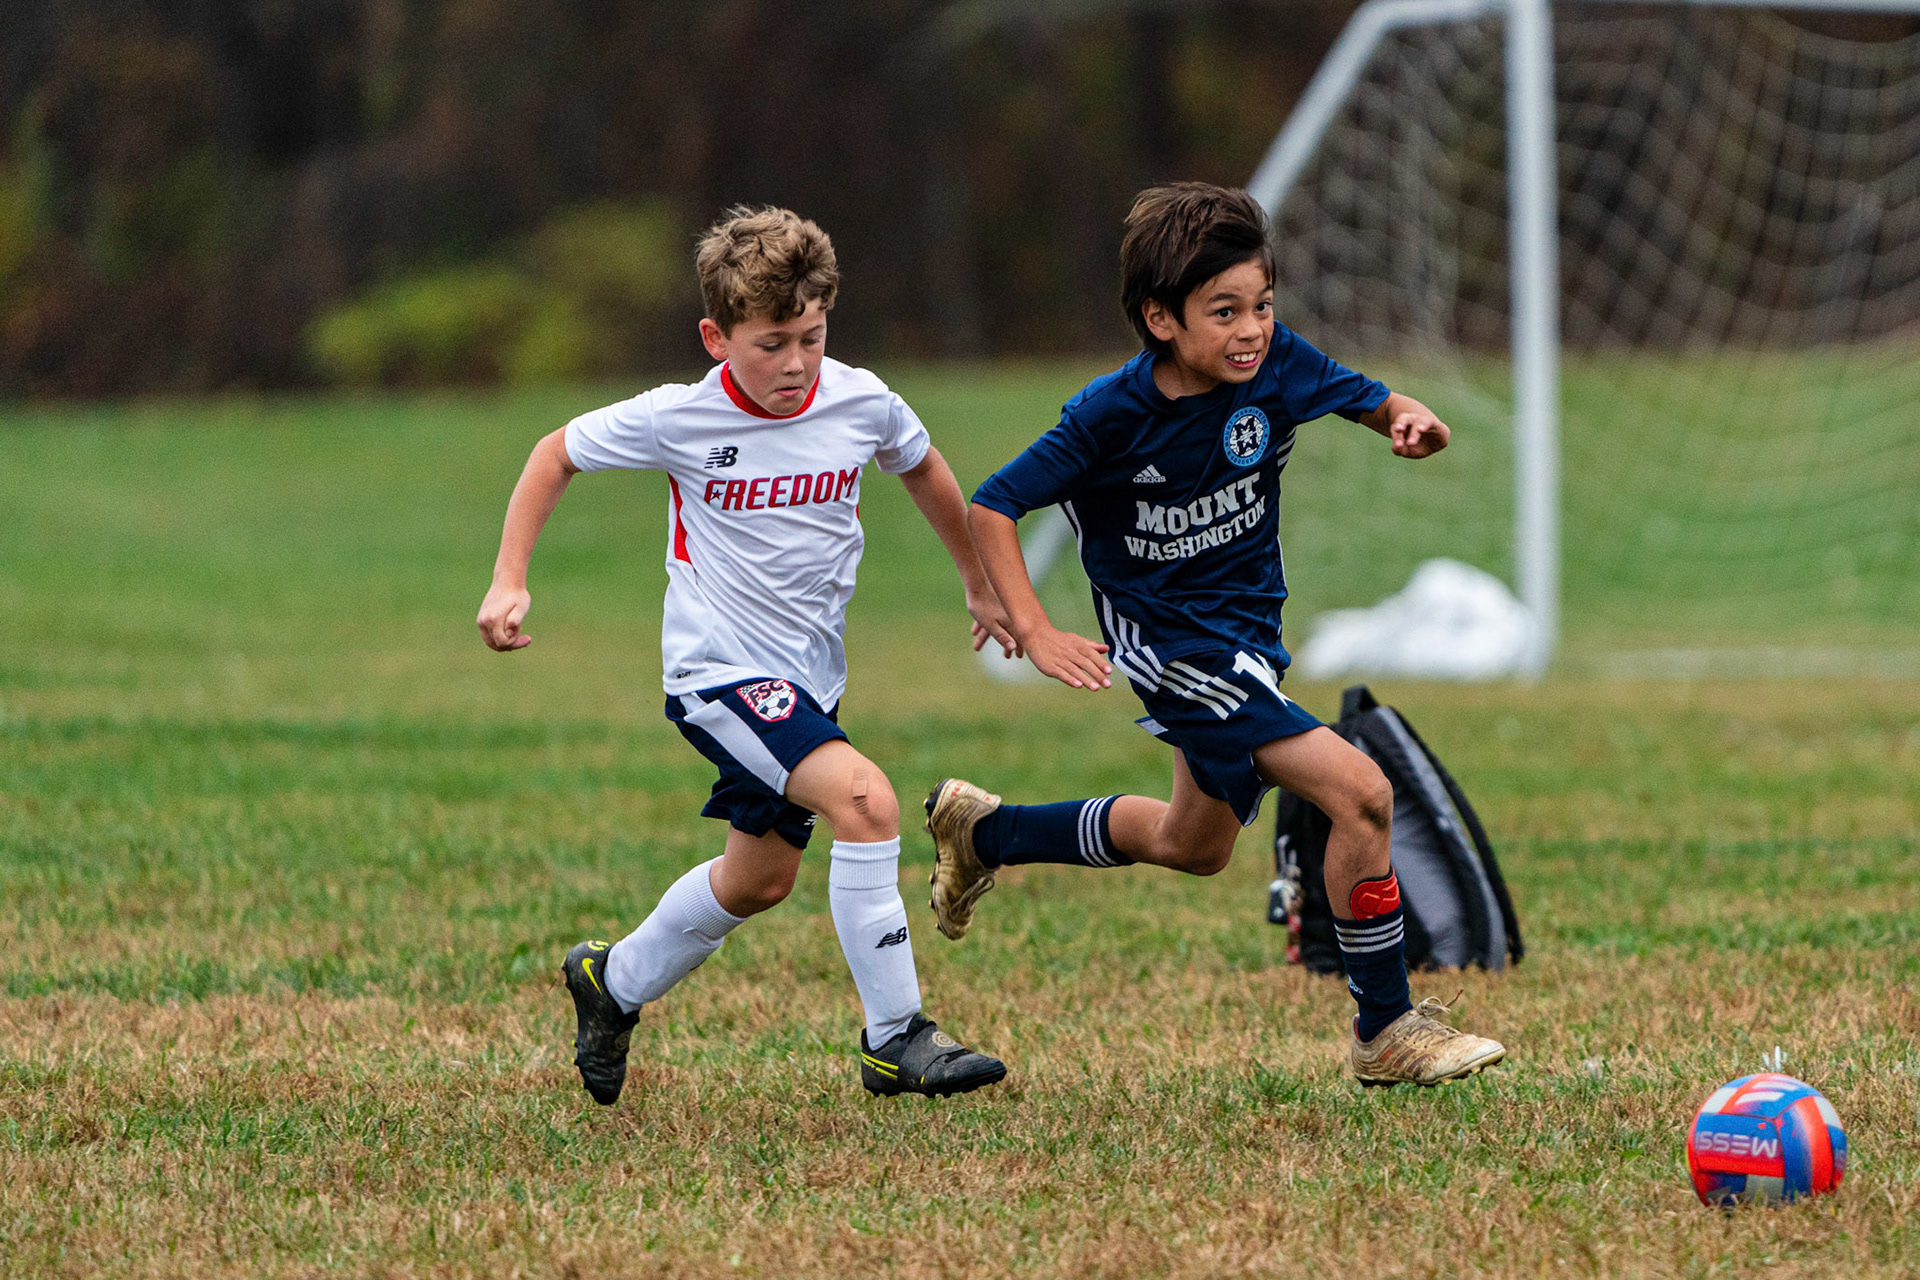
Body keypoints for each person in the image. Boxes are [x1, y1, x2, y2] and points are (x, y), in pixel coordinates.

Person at [926, 182, 1508, 1087]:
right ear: (1160, 318)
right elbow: (994, 502)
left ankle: (985, 835)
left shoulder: (1276, 367)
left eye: (1263, 306)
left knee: (1191, 844)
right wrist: (1033, 628)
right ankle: (1386, 1030)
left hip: (1247, 639)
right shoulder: (1109, 416)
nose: (1252, 329)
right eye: (1224, 311)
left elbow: (1362, 395)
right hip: (1173, 649)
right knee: (1360, 794)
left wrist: (1403, 416)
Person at [479, 206, 1011, 1104]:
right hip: (718, 674)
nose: (795, 363)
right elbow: (553, 453)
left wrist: (978, 581)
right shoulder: (680, 419)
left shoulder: (861, 399)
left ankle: (612, 983)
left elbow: (921, 465)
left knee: (758, 880)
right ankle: (896, 1038)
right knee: (866, 800)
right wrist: (508, 579)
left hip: (809, 681)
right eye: (771, 343)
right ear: (716, 337)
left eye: (812, 335)